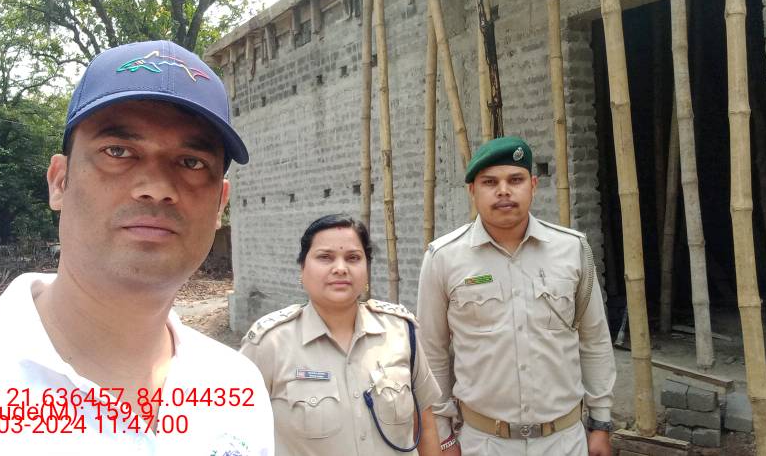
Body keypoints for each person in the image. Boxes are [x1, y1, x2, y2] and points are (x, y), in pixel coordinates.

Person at [0, 40, 273, 455]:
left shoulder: (238, 391)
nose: (157, 187)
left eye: (191, 162)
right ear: (59, 181)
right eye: (118, 152)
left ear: (220, 204)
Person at [416, 136, 616, 456]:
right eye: (490, 182)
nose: (504, 191)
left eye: (515, 180)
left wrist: (601, 424)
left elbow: (594, 340)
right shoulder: (443, 258)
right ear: (472, 191)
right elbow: (431, 353)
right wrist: (444, 437)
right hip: (483, 443)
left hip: (564, 441)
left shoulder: (572, 249)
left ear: (533, 185)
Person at [240, 214, 443, 455]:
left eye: (353, 258)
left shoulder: (401, 331)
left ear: (366, 269)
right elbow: (235, 430)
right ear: (302, 269)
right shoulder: (268, 343)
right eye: (325, 257)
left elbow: (425, 425)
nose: (340, 268)